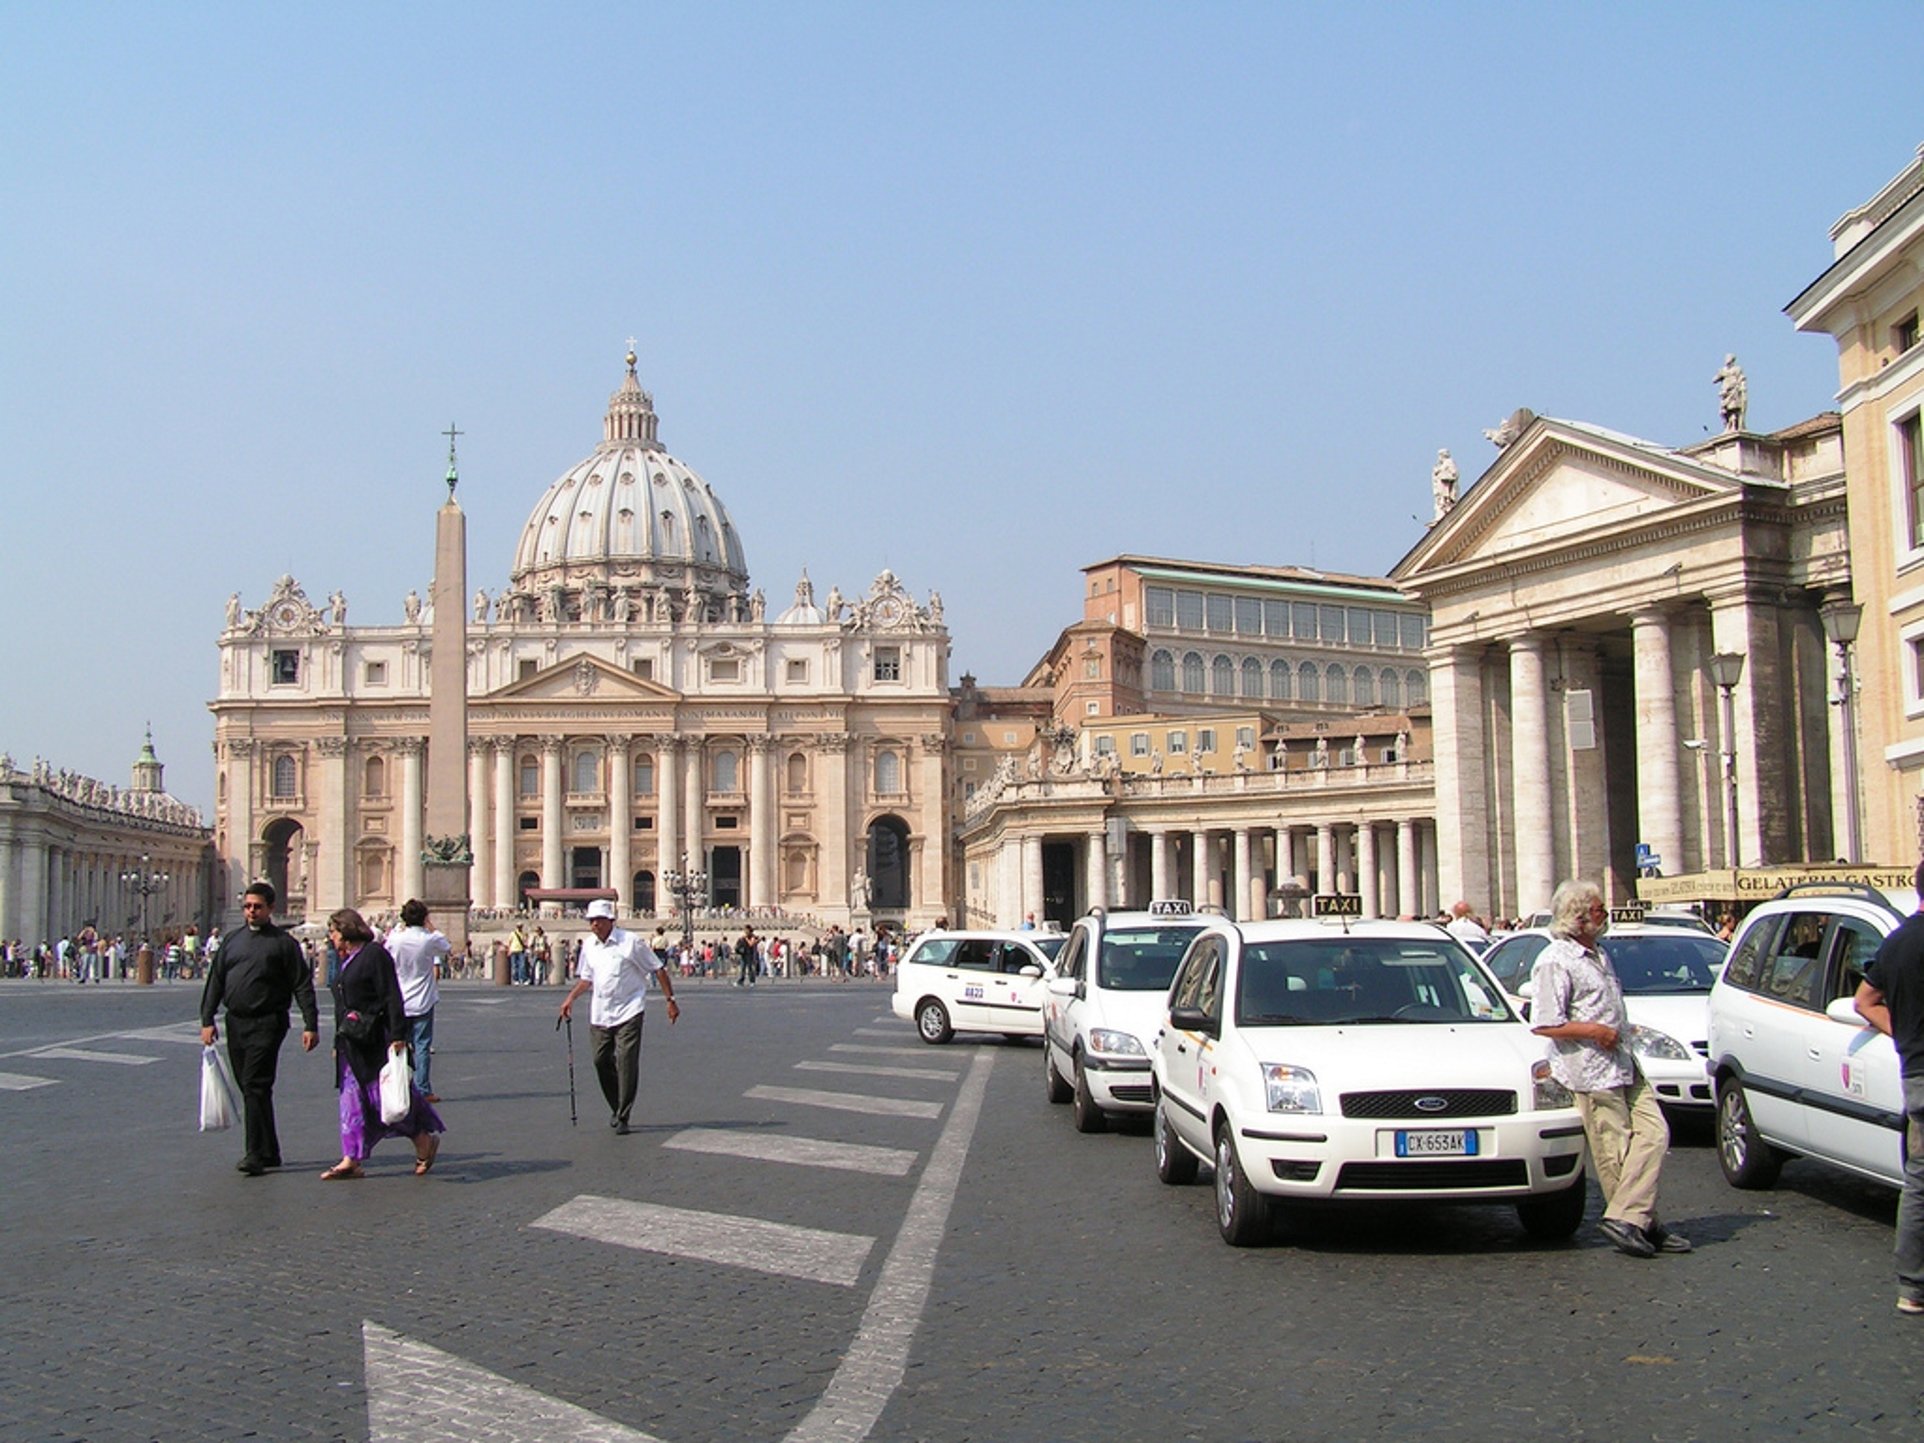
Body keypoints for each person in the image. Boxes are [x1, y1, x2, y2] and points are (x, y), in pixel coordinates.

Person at [1530, 879, 1689, 1258]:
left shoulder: (1600, 953)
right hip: (1589, 1068)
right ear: (1580, 917)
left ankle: (1631, 1218)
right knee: (1614, 1150)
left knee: (1654, 1133)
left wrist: (1618, 1028)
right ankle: (1640, 1223)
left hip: (1622, 1061)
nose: (1606, 916)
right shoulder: (1555, 961)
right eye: (1600, 910)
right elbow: (1544, 1023)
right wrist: (1594, 1031)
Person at [198, 882, 319, 1177]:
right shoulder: (231, 941)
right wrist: (206, 1018)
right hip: (235, 1022)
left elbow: (302, 984)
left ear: (270, 909)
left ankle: (253, 1153)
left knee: (254, 1083)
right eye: (248, 907)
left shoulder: (284, 944)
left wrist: (310, 1024)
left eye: (257, 907)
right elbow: (216, 980)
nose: (251, 912)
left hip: (268, 1022)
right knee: (253, 1088)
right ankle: (270, 1150)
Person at [321, 908, 444, 1180]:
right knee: (351, 1101)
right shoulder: (347, 960)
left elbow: (391, 994)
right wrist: (337, 1041)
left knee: (384, 1099)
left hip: (374, 1039)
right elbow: (342, 1007)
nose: (331, 937)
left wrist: (399, 1034)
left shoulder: (374, 955)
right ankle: (351, 1159)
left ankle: (423, 1140)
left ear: (347, 930)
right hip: (351, 1042)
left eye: (333, 931)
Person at [1853, 858, 1924, 1315]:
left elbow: (1864, 1001)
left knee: (1919, 1182)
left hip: (1916, 1073)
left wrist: (1904, 1033)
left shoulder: (1897, 942)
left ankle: (1912, 1286)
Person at [559, 898, 678, 1133]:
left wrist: (670, 1001)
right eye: (591, 921)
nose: (594, 925)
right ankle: (616, 1105)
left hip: (630, 1009)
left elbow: (657, 968)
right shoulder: (589, 946)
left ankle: (623, 1115)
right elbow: (587, 978)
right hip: (601, 1012)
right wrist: (570, 998)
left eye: (598, 920)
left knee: (626, 1062)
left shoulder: (630, 942)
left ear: (610, 920)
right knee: (600, 1060)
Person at [386, 899, 450, 1102]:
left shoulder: (396, 939)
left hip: (400, 998)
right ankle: (423, 1089)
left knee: (400, 1044)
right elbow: (446, 946)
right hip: (423, 999)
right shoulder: (428, 939)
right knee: (422, 1046)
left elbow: (386, 951)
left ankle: (401, 1086)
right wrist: (430, 927)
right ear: (424, 918)